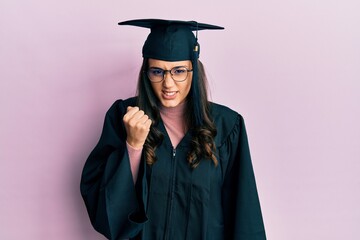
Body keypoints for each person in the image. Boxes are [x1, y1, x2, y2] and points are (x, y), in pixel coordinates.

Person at [80, 19, 266, 240]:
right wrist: (133, 146)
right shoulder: (124, 117)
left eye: (179, 71)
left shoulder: (227, 126)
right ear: (146, 73)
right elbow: (105, 207)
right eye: (157, 71)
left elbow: (244, 212)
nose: (168, 83)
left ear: (193, 70)